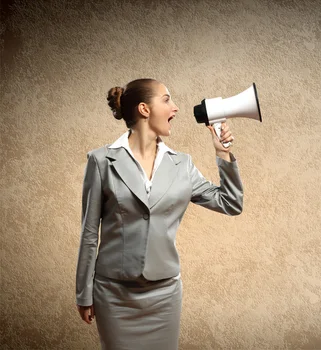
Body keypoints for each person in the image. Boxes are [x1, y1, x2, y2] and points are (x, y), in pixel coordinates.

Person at [75, 78, 243, 349]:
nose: (175, 108)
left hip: (164, 296)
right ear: (144, 109)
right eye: (166, 100)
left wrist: (223, 153)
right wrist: (83, 294)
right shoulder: (101, 161)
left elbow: (230, 203)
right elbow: (89, 233)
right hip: (114, 295)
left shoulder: (182, 165)